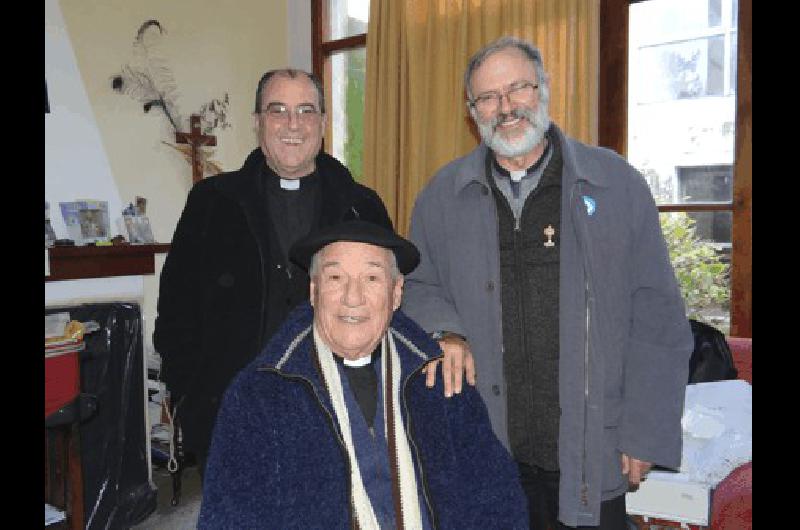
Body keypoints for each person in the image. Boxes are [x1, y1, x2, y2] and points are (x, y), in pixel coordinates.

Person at [402, 36, 694, 529]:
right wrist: (446, 331)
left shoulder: (616, 185)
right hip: (489, 448)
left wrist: (645, 432)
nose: (506, 107)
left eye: (519, 88)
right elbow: (417, 284)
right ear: (472, 113)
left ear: (544, 91)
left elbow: (657, 318)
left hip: (589, 448)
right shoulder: (441, 196)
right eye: (488, 98)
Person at [198, 220, 529, 529]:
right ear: (313, 291)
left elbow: (495, 498)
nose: (352, 297)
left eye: (371, 278)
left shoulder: (440, 379)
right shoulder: (260, 393)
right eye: (336, 278)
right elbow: (230, 517)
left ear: (396, 294)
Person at [153, 68, 393, 476]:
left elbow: (390, 308)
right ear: (258, 122)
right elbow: (176, 312)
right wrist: (193, 396)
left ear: (322, 122)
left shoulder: (362, 206)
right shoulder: (212, 203)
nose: (293, 124)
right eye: (277, 110)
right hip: (233, 414)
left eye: (306, 110)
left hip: (338, 414)